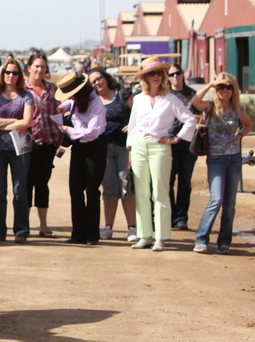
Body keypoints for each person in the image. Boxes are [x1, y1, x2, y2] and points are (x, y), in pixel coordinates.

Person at [126, 58, 197, 252]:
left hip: (160, 145)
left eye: (159, 73)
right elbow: (133, 126)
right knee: (141, 192)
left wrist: (177, 138)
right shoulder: (139, 99)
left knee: (160, 191)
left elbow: (190, 119)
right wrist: (130, 150)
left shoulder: (171, 99)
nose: (156, 77)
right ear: (145, 78)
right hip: (139, 145)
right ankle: (144, 235)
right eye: (152, 73)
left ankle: (161, 236)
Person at [191, 73, 251, 254]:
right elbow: (195, 101)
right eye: (221, 87)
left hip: (234, 158)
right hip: (216, 159)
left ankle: (224, 242)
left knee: (230, 203)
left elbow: (248, 124)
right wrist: (210, 84)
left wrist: (240, 135)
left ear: (234, 89)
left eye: (229, 87)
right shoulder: (210, 106)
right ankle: (201, 239)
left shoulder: (237, 108)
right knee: (216, 199)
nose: (225, 90)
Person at [0, 58, 34, 243]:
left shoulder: (26, 96)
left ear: (20, 76)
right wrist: (14, 122)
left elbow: (27, 121)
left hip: (19, 149)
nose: (10, 76)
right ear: (2, 74)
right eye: (7, 72)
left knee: (20, 190)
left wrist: (2, 124)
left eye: (14, 73)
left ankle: (21, 230)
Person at [55, 73, 107, 245]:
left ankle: (92, 234)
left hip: (94, 148)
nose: (70, 98)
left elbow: (92, 132)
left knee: (92, 190)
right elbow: (71, 103)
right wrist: (63, 106)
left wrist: (68, 130)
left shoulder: (96, 104)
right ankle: (77, 233)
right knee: (75, 190)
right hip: (78, 147)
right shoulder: (77, 101)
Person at [89, 68, 138, 242]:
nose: (97, 83)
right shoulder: (92, 100)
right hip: (102, 149)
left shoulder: (123, 95)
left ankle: (132, 228)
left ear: (106, 77)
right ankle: (108, 227)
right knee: (109, 189)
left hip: (124, 147)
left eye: (99, 78)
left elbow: (141, 112)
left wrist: (133, 125)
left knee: (126, 187)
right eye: (93, 81)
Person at [24, 53, 60, 238]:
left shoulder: (52, 89)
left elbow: (58, 112)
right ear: (29, 68)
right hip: (28, 144)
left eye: (43, 66)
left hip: (48, 142)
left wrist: (61, 138)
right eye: (36, 66)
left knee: (42, 184)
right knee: (26, 184)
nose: (39, 69)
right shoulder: (22, 89)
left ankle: (43, 226)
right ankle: (24, 225)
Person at [167, 63, 199, 230]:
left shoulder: (191, 94)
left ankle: (181, 218)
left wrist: (194, 117)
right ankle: (170, 215)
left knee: (185, 181)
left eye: (177, 73)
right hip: (170, 140)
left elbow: (201, 115)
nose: (175, 77)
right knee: (169, 180)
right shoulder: (166, 95)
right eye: (171, 74)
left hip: (188, 142)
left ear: (182, 74)